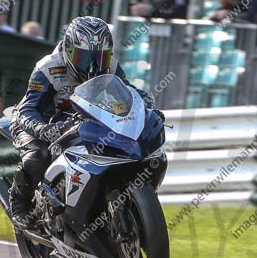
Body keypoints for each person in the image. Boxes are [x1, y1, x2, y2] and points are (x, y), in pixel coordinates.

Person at [8, 16, 155, 228]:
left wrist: (145, 101)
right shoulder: (48, 68)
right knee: (37, 157)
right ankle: (19, 203)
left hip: (79, 121)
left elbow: (128, 92)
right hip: (37, 122)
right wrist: (43, 130)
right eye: (85, 57)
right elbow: (27, 109)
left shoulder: (111, 67)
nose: (94, 65)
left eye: (101, 57)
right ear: (68, 50)